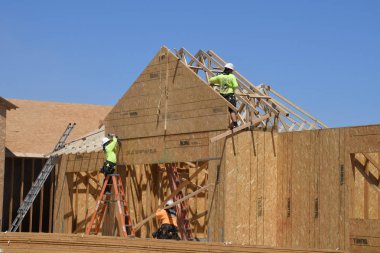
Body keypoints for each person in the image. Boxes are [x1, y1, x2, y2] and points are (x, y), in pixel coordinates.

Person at [209, 63, 239, 128]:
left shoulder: (220, 77)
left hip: (222, 96)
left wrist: (218, 82)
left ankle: (220, 124)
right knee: (232, 110)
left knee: (223, 110)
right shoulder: (232, 76)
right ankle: (235, 124)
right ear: (231, 70)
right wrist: (232, 88)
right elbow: (235, 85)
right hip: (230, 96)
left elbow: (211, 80)